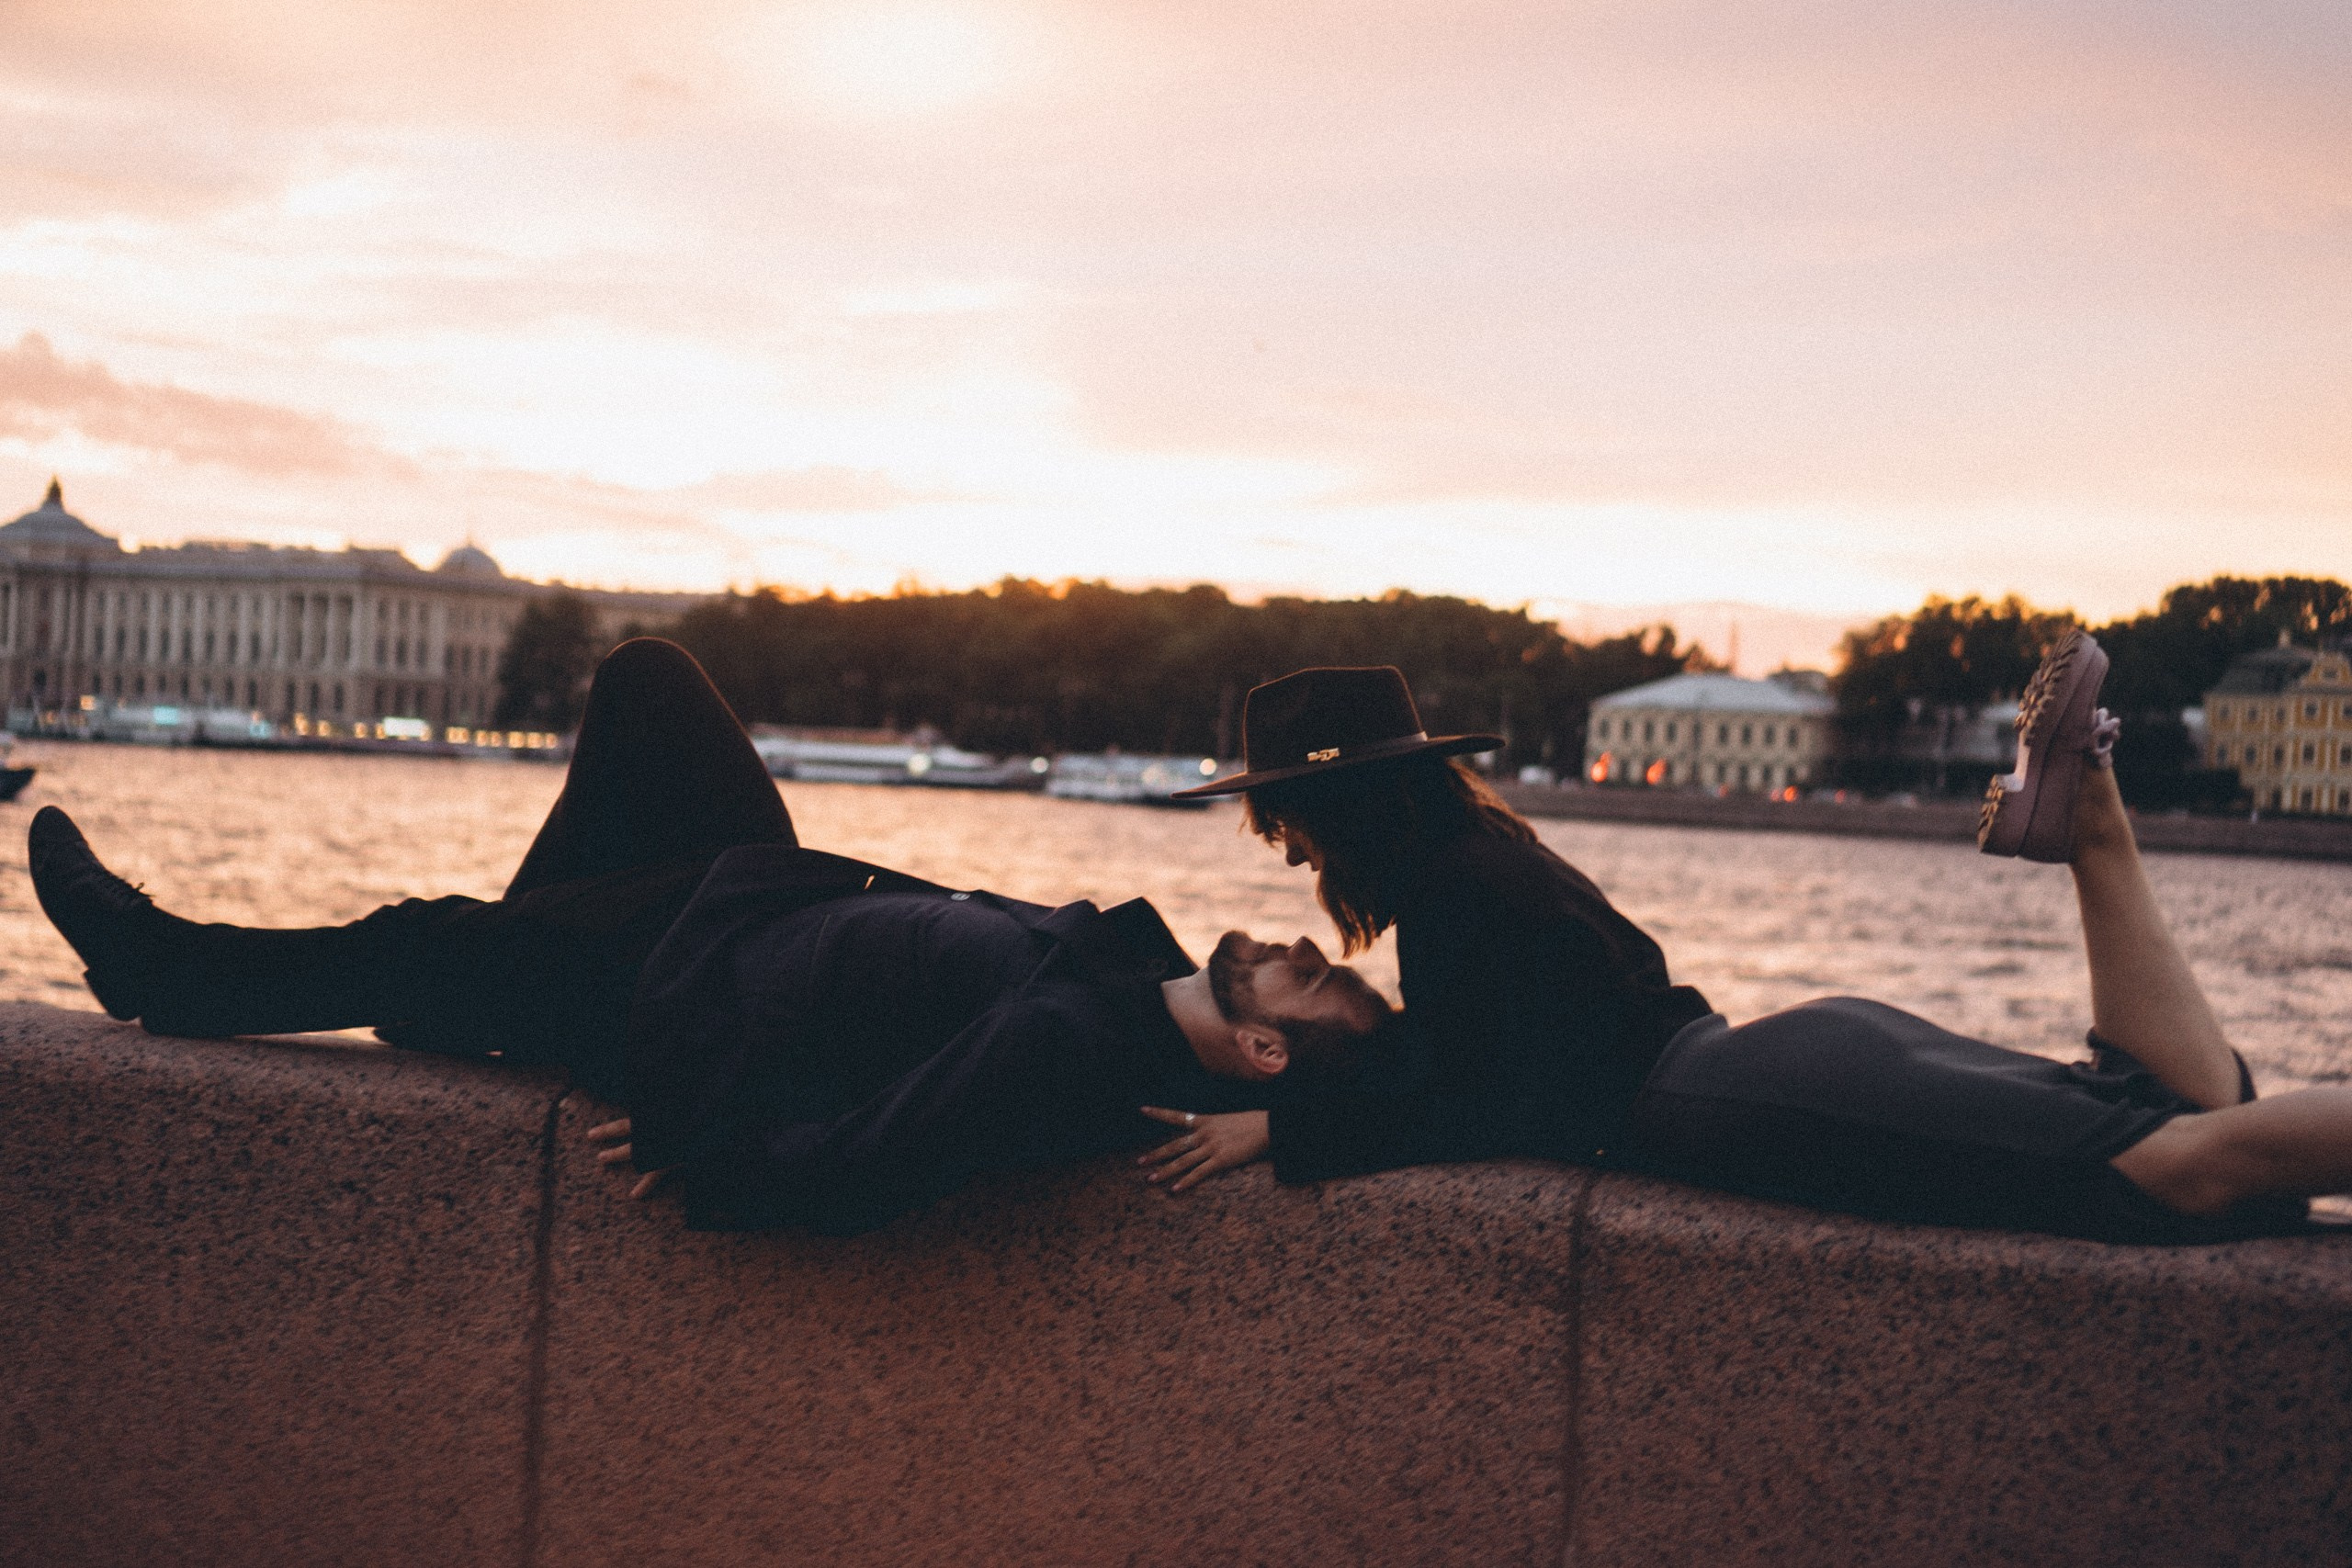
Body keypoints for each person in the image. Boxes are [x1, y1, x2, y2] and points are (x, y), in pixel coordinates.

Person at [29, 638, 1388, 1234]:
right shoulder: (1132, 984)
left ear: (1265, 1046)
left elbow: (872, 1160)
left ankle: (168, 967)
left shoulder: (1074, 1050)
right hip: (750, 900)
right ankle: (492, 974)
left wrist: (707, 1141)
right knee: (649, 687)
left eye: (1309, 977)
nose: (1294, 943)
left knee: (415, 936)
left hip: (677, 999)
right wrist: (1305, 1124)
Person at [1139, 640, 2352, 1244]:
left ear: (1337, 806)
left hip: (1748, 1100)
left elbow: (1484, 1102)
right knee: (2179, 1103)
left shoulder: (1454, 899)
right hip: (1776, 1059)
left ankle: (2088, 813)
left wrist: (1280, 1121)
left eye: (1283, 819)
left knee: (2189, 1165)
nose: (1290, 854)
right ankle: (2091, 822)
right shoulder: (1488, 862)